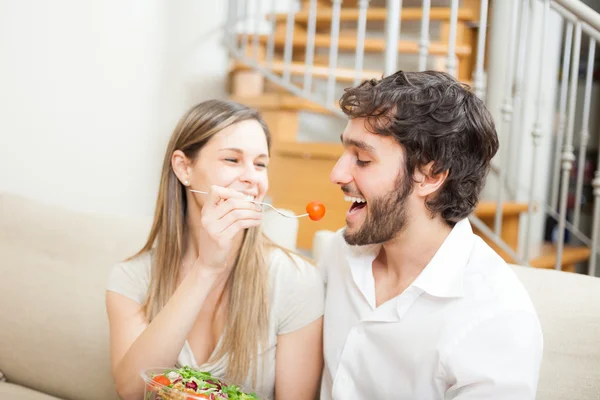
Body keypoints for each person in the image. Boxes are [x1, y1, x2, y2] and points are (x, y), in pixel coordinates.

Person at [318, 70, 543, 399]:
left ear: (431, 175)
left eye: (363, 160)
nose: (336, 173)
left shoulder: (497, 320)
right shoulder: (339, 253)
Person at [106, 99, 324, 400]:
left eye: (260, 164)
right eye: (232, 160)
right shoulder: (131, 278)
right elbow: (132, 391)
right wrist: (205, 269)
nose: (251, 177)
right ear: (184, 168)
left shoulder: (296, 280)